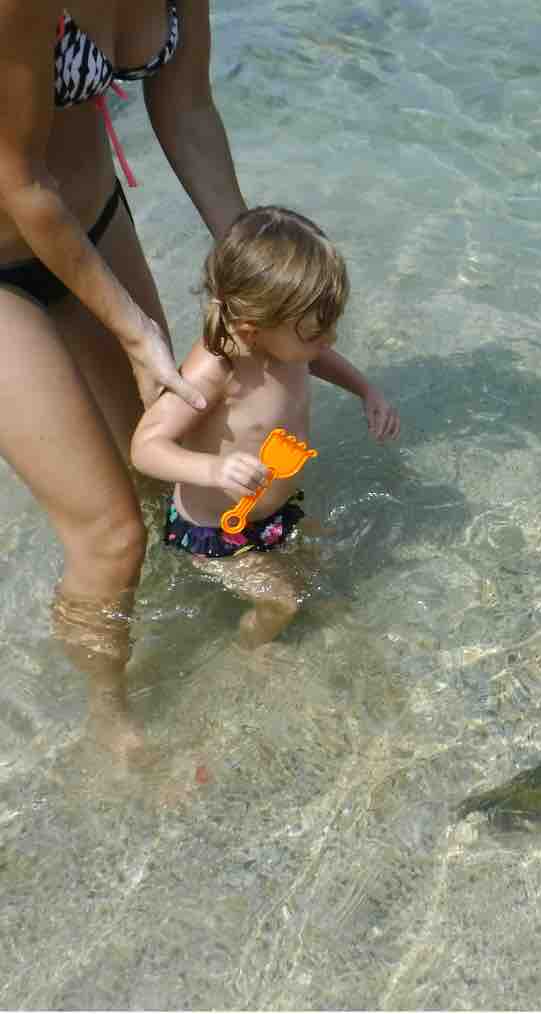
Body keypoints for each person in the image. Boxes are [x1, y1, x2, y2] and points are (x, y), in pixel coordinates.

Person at [0, 1, 248, 758]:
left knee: (162, 469)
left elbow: (189, 104)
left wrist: (254, 261)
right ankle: (107, 725)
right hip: (9, 253)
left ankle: (219, 618)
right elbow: (20, 182)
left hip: (93, 227)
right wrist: (137, 332)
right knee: (111, 536)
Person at [131, 205, 401, 653]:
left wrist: (366, 391)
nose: (329, 340)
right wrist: (214, 469)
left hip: (273, 510)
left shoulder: (289, 346)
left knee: (322, 573)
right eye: (316, 332)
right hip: (216, 529)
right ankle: (251, 653)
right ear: (251, 329)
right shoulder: (216, 369)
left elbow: (319, 358)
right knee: (283, 602)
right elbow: (145, 446)